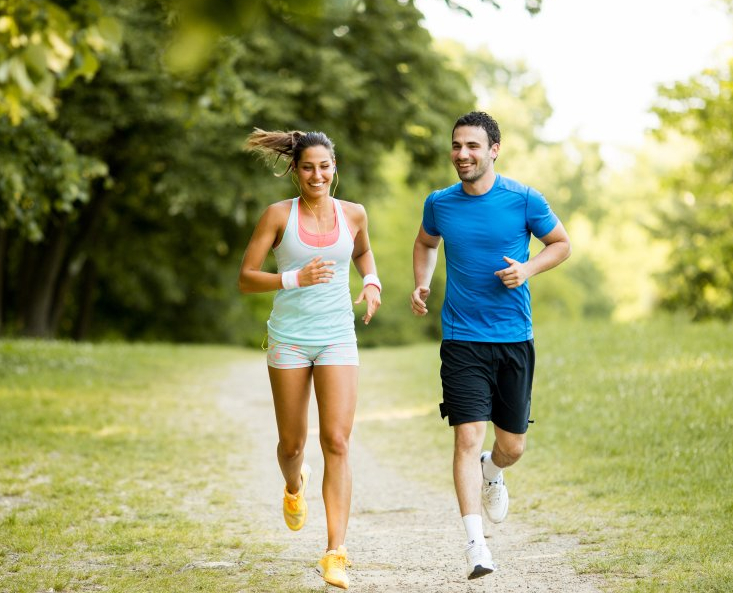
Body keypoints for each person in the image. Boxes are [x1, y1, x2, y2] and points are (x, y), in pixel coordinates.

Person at [410, 111, 571, 580]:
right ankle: (475, 546)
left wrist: (527, 269)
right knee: (466, 437)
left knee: (512, 446)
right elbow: (425, 243)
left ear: (493, 150)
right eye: (456, 145)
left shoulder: (523, 199)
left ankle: (493, 471)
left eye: (472, 146)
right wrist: (422, 282)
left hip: (513, 338)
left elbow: (561, 244)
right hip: (462, 339)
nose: (462, 154)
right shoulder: (439, 203)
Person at [238, 128, 381, 590]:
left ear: (334, 167)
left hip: (337, 336)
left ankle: (335, 552)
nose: (317, 175)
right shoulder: (278, 215)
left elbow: (362, 251)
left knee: (337, 441)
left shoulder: (353, 214)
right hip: (290, 339)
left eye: (324, 166)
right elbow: (246, 277)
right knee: (292, 445)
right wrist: (293, 279)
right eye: (307, 168)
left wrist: (372, 281)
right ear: (295, 170)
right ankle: (293, 484)